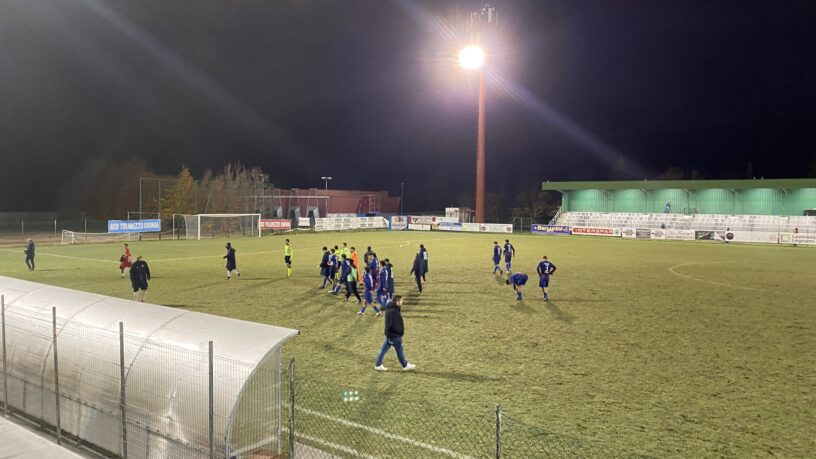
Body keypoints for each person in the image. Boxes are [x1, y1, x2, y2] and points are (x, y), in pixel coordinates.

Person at [374, 295, 416, 371]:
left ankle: (378, 364)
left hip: (390, 334)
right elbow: (392, 324)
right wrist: (399, 332)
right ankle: (405, 365)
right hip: (393, 335)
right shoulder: (393, 311)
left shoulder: (393, 308)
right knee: (399, 349)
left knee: (384, 349)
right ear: (397, 301)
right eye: (401, 300)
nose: (402, 301)